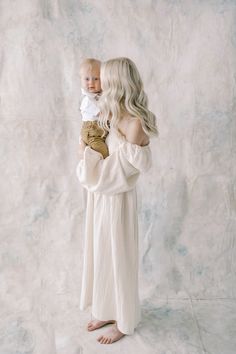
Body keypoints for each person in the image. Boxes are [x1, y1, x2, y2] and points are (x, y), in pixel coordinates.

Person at [76, 57, 158, 344]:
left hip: (117, 199)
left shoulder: (134, 123)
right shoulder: (111, 113)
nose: (100, 85)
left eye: (105, 79)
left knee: (118, 256)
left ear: (118, 83)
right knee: (101, 253)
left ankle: (124, 319)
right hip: (101, 198)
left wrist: (88, 165)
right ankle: (105, 308)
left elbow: (119, 173)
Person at [79, 58, 109, 159]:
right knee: (103, 152)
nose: (91, 83)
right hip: (92, 131)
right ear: (81, 80)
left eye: (96, 79)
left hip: (100, 129)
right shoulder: (89, 99)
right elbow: (103, 113)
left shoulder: (100, 95)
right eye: (87, 79)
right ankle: (94, 168)